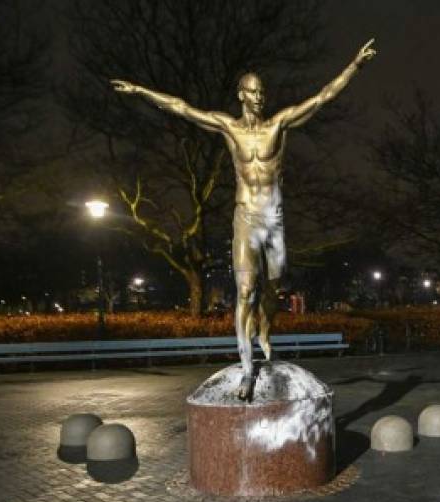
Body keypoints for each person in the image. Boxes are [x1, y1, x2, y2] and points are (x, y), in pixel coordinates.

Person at [112, 39, 376, 400]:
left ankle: (265, 331)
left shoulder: (278, 125)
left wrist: (355, 65)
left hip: (274, 219)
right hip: (246, 217)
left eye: (261, 92)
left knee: (272, 289)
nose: (259, 97)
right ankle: (247, 369)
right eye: (252, 92)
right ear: (240, 95)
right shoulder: (228, 127)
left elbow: (322, 97)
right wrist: (140, 90)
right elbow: (182, 108)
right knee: (246, 291)